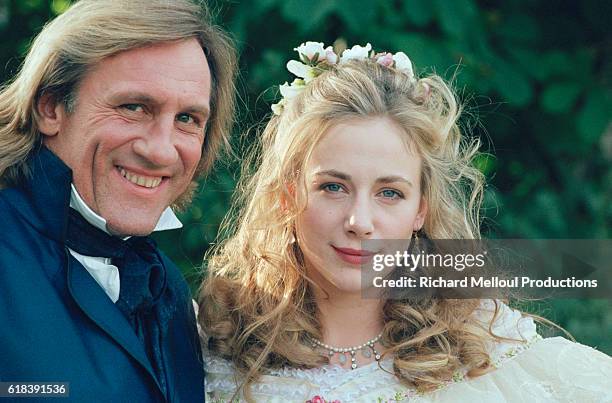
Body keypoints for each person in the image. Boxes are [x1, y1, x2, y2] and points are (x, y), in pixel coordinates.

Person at [198, 42, 612, 402]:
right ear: (289, 193)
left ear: (420, 210)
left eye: (390, 193)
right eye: (333, 187)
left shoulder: (484, 349)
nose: (360, 222)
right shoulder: (219, 347)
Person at [0, 0, 236, 401]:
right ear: (50, 106)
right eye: (133, 107)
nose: (162, 151)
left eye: (187, 119)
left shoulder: (169, 291)